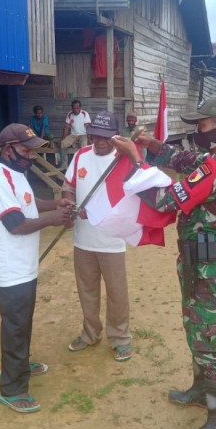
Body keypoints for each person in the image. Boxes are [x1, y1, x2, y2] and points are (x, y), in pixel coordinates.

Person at [111, 96, 216, 429]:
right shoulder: (215, 158)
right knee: (194, 325)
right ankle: (202, 389)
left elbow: (164, 200)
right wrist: (150, 145)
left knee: (211, 340)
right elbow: (179, 159)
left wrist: (136, 161)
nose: (195, 131)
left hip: (208, 265)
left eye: (200, 125)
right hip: (197, 259)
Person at [0, 123, 74, 414]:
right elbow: (17, 223)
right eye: (25, 150)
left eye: (32, 150)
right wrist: (54, 219)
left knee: (22, 321)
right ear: (7, 150)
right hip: (10, 267)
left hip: (24, 264)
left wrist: (55, 203)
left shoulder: (16, 175)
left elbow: (29, 203)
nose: (31, 156)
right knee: (15, 324)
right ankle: (12, 388)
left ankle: (18, 365)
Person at [62, 111, 133, 362]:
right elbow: (68, 186)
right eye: (95, 136)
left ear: (115, 136)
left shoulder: (123, 159)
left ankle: (120, 338)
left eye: (105, 137)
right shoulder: (81, 156)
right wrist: (69, 203)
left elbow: (134, 195)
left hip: (111, 239)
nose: (100, 142)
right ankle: (90, 333)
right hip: (83, 240)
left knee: (116, 292)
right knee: (87, 290)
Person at [60, 99, 91, 170]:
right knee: (63, 143)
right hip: (73, 135)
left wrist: (89, 139)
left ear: (80, 107)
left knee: (84, 147)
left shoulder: (84, 114)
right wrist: (63, 138)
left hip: (83, 135)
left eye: (77, 108)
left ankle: (84, 165)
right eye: (74, 108)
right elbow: (67, 127)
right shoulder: (70, 114)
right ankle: (64, 165)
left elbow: (88, 127)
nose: (76, 110)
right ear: (72, 108)